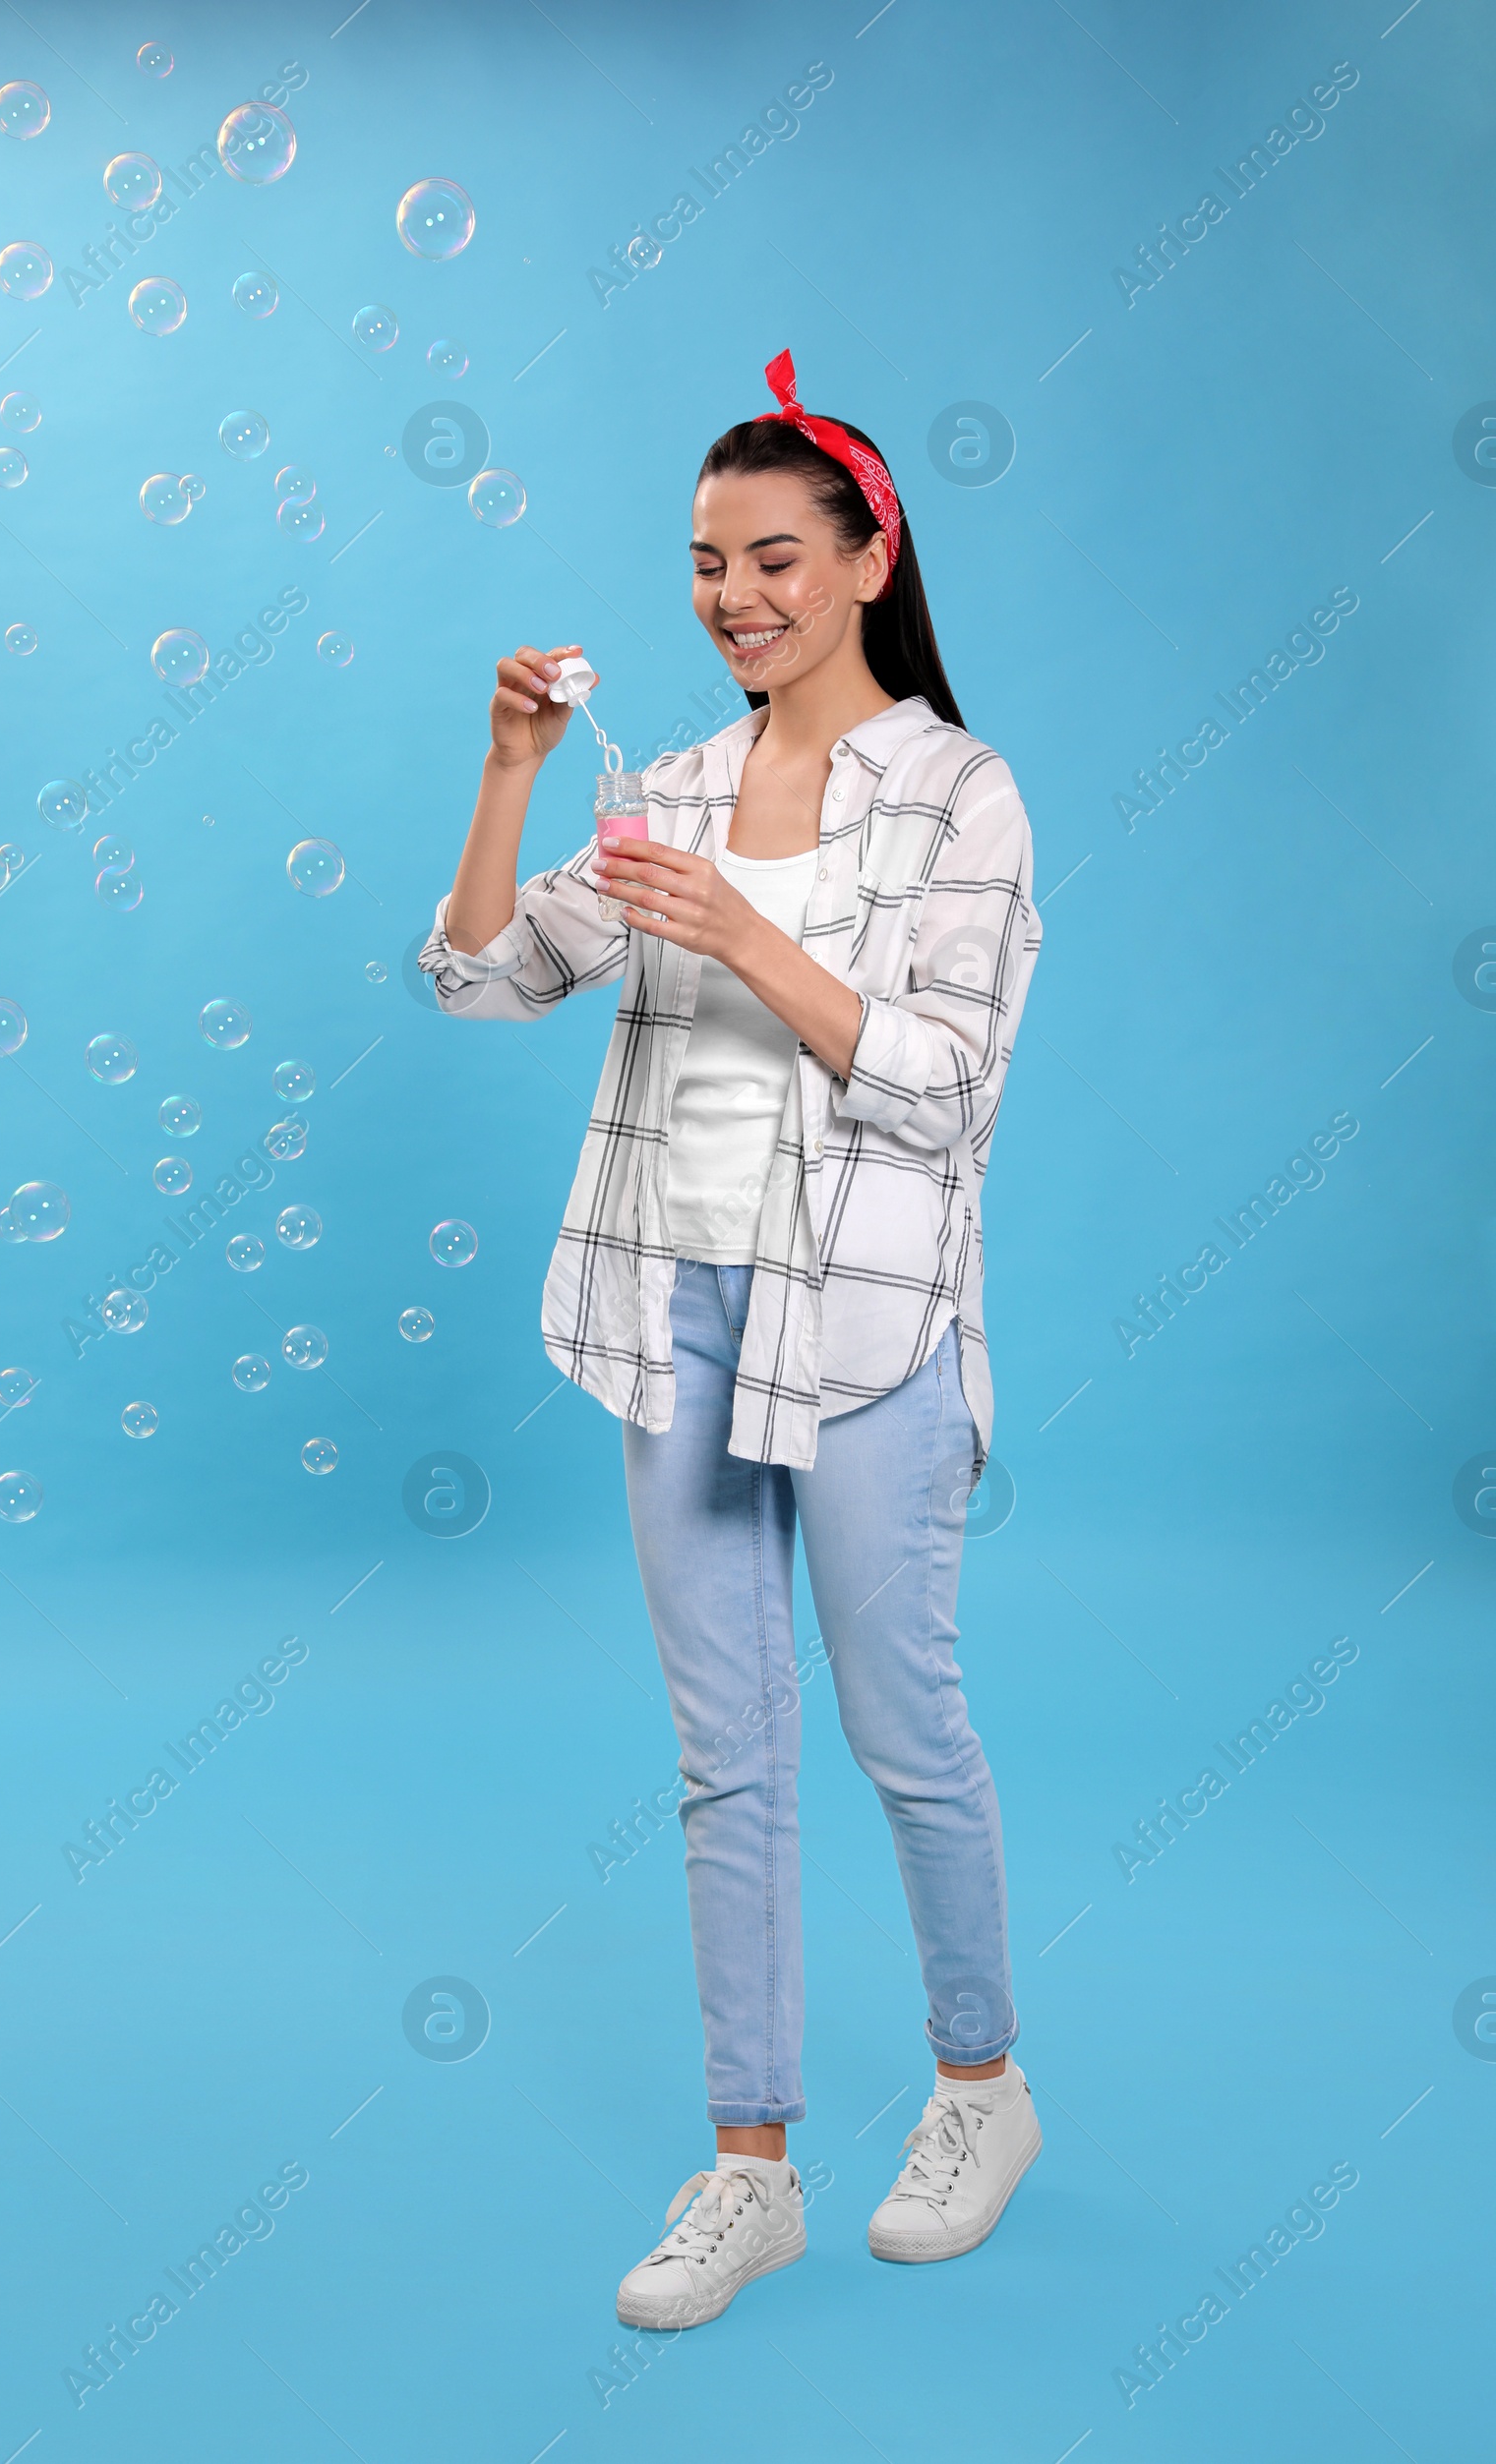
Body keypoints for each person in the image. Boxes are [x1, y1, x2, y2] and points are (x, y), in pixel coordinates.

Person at [420, 350, 1045, 2329]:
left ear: (870, 555)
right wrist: (512, 770)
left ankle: (975, 2087)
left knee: (900, 1730)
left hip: (861, 1324)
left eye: (771, 554)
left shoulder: (957, 790)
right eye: (702, 562)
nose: (730, 595)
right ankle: (749, 2160)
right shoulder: (665, 782)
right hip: (664, 1312)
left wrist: (747, 933)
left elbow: (943, 1084)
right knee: (726, 1754)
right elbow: (477, 979)